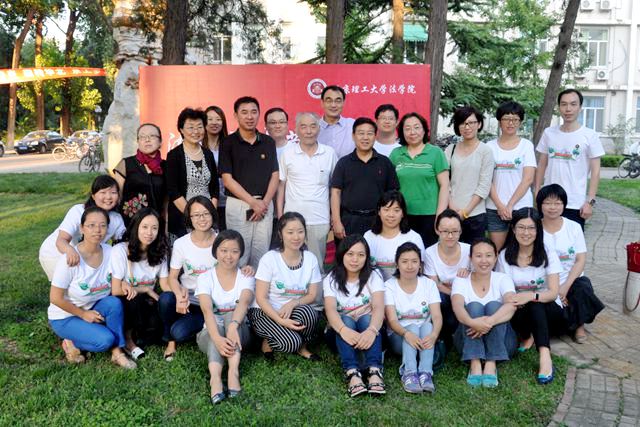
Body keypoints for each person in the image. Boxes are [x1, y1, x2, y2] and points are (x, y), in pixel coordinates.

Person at [48, 206, 136, 369]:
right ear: (82, 228)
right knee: (105, 340)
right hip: (66, 316)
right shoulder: (71, 259)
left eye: (103, 225)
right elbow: (55, 298)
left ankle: (117, 353)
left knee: (114, 303)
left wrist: (122, 282)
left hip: (93, 307)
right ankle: (71, 341)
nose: (97, 230)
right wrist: (83, 314)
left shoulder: (110, 252)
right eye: (91, 225)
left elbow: (116, 278)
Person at [496, 208, 564, 385]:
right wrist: (519, 299)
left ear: (538, 230)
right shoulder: (504, 256)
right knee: (530, 306)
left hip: (550, 310)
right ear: (513, 229)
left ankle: (545, 356)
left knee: (535, 304)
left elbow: (553, 292)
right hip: (517, 309)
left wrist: (530, 295)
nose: (526, 233)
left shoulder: (548, 253)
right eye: (521, 227)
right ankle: (528, 335)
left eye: (531, 228)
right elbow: (504, 292)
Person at [248, 212, 322, 359]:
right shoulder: (270, 258)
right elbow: (261, 298)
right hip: (265, 311)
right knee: (291, 343)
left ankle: (302, 347)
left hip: (292, 310)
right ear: (280, 234)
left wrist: (293, 303)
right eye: (290, 232)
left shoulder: (310, 259)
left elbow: (312, 295)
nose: (296, 237)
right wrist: (280, 320)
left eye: (300, 231)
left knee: (309, 314)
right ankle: (269, 340)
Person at [537, 184, 604, 343]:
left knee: (583, 286)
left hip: (570, 279)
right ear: (540, 205)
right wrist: (554, 290)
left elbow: (580, 260)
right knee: (552, 317)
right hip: (545, 282)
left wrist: (565, 287)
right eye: (547, 203)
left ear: (564, 205)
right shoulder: (534, 228)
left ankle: (579, 326)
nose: (552, 207)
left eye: (557, 203)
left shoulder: (573, 227)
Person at [195, 230, 255, 404]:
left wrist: (233, 326)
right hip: (210, 335)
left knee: (230, 317)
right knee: (217, 330)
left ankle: (232, 372)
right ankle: (215, 379)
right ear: (216, 251)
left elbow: (244, 302)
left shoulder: (246, 276)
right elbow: (207, 310)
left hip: (240, 334)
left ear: (241, 253)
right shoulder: (205, 277)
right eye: (224, 250)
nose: (229, 256)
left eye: (234, 251)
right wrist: (217, 338)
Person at [219, 96, 279, 268]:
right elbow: (227, 180)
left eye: (254, 112)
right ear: (236, 115)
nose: (249, 116)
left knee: (261, 256)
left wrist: (264, 203)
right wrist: (253, 202)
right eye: (244, 112)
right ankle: (238, 286)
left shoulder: (268, 142)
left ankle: (259, 286)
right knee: (238, 253)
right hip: (238, 205)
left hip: (265, 205)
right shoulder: (228, 143)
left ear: (259, 114)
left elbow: (275, 175)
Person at [323, 235, 386, 396]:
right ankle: (352, 373)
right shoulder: (331, 279)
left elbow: (379, 307)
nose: (355, 259)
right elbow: (330, 310)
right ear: (342, 254)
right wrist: (343, 330)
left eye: (360, 255)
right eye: (350, 254)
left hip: (369, 332)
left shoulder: (374, 275)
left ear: (367, 257)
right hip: (340, 333)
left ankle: (374, 371)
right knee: (345, 319)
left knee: (366, 318)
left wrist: (372, 330)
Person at [534, 89, 605, 230]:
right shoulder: (549, 133)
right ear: (558, 107)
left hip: (575, 203)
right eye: (564, 104)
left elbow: (596, 172)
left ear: (580, 107)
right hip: (549, 201)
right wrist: (537, 191)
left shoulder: (590, 135)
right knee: (545, 241)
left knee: (573, 242)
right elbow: (542, 164)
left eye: (573, 104)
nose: (568, 109)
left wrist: (590, 202)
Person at [451, 238, 518, 388]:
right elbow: (458, 307)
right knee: (474, 306)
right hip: (467, 343)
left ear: (495, 257)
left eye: (488, 255)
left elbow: (512, 305)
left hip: (503, 343)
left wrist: (488, 322)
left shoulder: (502, 278)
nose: (484, 261)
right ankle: (475, 362)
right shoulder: (461, 280)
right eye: (478, 255)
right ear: (470, 258)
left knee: (494, 305)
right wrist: (473, 323)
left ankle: (491, 363)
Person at [159, 196, 218, 361]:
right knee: (166, 299)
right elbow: (172, 277)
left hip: (211, 303)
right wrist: (179, 295)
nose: (202, 219)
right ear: (189, 218)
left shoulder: (221, 241)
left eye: (206, 213)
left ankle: (200, 326)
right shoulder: (181, 243)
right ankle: (170, 341)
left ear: (212, 214)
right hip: (188, 298)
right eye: (196, 215)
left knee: (179, 332)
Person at [277, 112, 337, 276]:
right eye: (303, 127)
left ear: (319, 129)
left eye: (313, 126)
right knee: (291, 264)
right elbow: (281, 186)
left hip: (320, 219)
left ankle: (317, 293)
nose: (308, 131)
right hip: (292, 220)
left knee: (316, 266)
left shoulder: (329, 153)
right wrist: (281, 215)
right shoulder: (288, 153)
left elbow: (335, 188)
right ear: (296, 130)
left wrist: (334, 215)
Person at [39, 175, 125, 281]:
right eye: (103, 192)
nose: (108, 197)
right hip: (56, 252)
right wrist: (70, 251)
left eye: (113, 192)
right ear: (93, 196)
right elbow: (61, 240)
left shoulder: (116, 219)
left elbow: (122, 243)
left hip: (85, 255)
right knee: (68, 286)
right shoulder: (78, 211)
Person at [110, 208, 170, 360]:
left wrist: (177, 295)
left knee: (155, 334)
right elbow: (116, 290)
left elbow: (165, 285)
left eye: (154, 228)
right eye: (145, 227)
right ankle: (128, 341)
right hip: (127, 301)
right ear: (136, 227)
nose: (149, 233)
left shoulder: (160, 252)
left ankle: (142, 333)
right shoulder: (120, 251)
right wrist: (145, 289)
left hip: (146, 302)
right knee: (134, 297)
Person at [385, 242, 443, 394]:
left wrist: (434, 335)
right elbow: (392, 320)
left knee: (428, 326)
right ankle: (409, 373)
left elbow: (437, 316)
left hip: (424, 338)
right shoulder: (389, 286)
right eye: (404, 261)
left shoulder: (429, 284)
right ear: (397, 264)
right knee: (412, 328)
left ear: (420, 264)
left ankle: (425, 373)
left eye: (414, 261)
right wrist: (407, 334)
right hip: (399, 336)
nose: (409, 266)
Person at [331, 117, 399, 242]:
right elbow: (335, 192)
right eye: (361, 133)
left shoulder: (385, 163)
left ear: (375, 136)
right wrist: (336, 221)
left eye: (370, 133)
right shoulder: (344, 163)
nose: (365, 137)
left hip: (378, 221)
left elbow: (393, 194)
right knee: (350, 254)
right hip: (349, 221)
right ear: (353, 136)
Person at [390, 112, 449, 247]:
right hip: (402, 215)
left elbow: (445, 185)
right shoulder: (396, 154)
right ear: (402, 132)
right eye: (407, 128)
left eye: (417, 127)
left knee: (427, 252)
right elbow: (390, 186)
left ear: (424, 130)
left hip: (429, 215)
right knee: (404, 252)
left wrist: (440, 216)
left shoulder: (436, 153)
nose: (412, 132)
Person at [486, 101, 536, 251]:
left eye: (515, 119)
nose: (511, 123)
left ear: (520, 122)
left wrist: (510, 205)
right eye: (506, 119)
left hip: (521, 207)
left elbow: (528, 179)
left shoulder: (526, 146)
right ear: (499, 121)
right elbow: (487, 180)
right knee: (496, 250)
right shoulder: (489, 147)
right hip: (494, 208)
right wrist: (500, 206)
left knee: (522, 250)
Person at [166, 108, 219, 242]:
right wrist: (193, 216)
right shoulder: (174, 155)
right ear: (181, 130)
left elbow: (214, 187)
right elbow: (173, 190)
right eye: (190, 127)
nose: (196, 131)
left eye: (199, 127)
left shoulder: (208, 154)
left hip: (208, 217)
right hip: (182, 217)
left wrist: (209, 213)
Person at [445, 106, 494, 244]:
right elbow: (444, 181)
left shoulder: (485, 151)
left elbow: (484, 185)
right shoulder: (450, 149)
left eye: (471, 122)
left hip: (475, 214)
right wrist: (452, 206)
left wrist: (465, 212)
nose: (467, 127)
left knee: (474, 252)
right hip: (451, 213)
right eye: (462, 123)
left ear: (479, 124)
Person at [424, 209, 470, 347]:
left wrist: (470, 274)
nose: (450, 236)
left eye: (455, 231)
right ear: (437, 230)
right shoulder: (430, 252)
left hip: (465, 296)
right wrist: (454, 293)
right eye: (445, 231)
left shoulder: (469, 250)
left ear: (460, 231)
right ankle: (443, 336)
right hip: (444, 295)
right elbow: (434, 284)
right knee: (439, 299)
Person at [113, 123, 167, 228]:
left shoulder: (166, 166)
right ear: (138, 142)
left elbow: (166, 202)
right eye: (142, 137)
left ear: (160, 141)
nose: (147, 140)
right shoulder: (126, 164)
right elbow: (117, 197)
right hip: (130, 224)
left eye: (152, 136)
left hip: (155, 225)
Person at [364, 190, 424, 281]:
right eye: (386, 210)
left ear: (403, 213)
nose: (391, 215)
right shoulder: (369, 237)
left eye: (396, 210)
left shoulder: (413, 238)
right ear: (379, 211)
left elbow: (420, 270)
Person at [265, 107, 292, 250]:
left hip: (289, 212)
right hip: (264, 212)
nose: (277, 126)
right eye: (273, 122)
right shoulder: (260, 149)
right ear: (266, 126)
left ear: (287, 125)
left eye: (281, 122)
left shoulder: (295, 149)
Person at [204, 105, 229, 231]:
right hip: (206, 201)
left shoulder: (230, 145)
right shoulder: (197, 146)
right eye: (210, 119)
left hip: (228, 201)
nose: (214, 123)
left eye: (218, 119)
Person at [318, 85, 355, 159]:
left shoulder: (353, 125)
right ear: (322, 103)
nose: (333, 105)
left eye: (338, 101)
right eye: (329, 101)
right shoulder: (313, 128)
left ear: (343, 103)